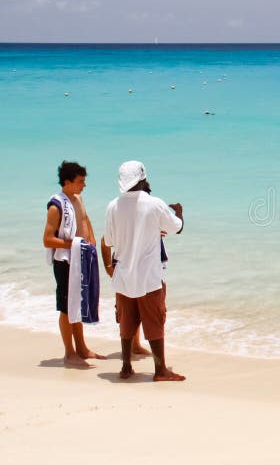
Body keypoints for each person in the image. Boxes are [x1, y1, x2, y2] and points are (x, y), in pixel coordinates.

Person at [104, 160, 186, 381]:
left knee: (127, 321)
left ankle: (126, 367)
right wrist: (178, 212)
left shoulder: (113, 206)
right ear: (142, 178)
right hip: (149, 276)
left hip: (123, 275)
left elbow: (109, 240)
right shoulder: (154, 204)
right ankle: (160, 370)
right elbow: (176, 228)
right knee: (155, 321)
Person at [43, 161, 106, 368]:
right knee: (66, 308)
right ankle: (69, 353)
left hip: (80, 258)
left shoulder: (78, 199)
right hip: (65, 261)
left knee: (78, 304)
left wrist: (92, 243)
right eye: (80, 181)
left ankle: (82, 348)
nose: (84, 185)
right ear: (67, 182)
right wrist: (74, 244)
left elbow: (85, 220)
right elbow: (47, 239)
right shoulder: (56, 205)